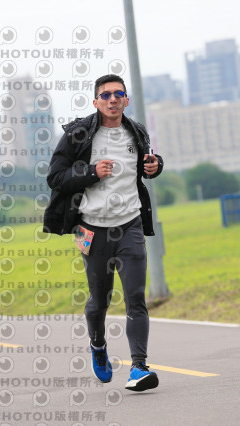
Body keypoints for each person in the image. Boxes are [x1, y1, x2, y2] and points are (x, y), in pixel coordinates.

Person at [44, 74, 164, 392]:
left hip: (130, 224)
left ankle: (139, 367)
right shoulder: (79, 134)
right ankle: (98, 345)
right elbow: (55, 177)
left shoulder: (136, 131)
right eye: (106, 95)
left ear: (126, 100)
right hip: (93, 229)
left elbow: (146, 164)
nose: (113, 99)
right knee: (100, 300)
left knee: (136, 297)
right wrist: (90, 172)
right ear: (96, 101)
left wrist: (156, 166)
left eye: (118, 94)